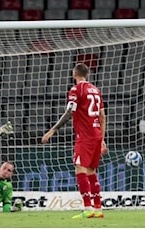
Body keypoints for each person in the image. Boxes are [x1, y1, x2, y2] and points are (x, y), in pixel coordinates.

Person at [41, 63, 108, 219]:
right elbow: (102, 116)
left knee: (80, 169)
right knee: (91, 171)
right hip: (97, 134)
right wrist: (102, 139)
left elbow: (70, 111)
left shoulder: (76, 90)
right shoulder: (96, 91)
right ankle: (97, 209)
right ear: (88, 75)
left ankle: (88, 208)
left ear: (74, 73)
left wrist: (52, 130)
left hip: (84, 136)